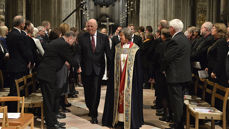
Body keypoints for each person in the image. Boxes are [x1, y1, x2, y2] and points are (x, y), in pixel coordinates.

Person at [102, 27, 144, 129]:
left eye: (121, 35)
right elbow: (112, 63)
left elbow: (139, 68)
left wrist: (138, 82)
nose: (120, 37)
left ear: (127, 36)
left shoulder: (135, 49)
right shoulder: (117, 47)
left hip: (130, 81)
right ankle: (118, 120)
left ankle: (128, 121)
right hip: (117, 79)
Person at [37, 31, 78, 129]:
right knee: (49, 100)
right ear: (70, 38)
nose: (73, 43)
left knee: (52, 98)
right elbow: (71, 59)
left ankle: (53, 121)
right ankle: (51, 124)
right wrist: (79, 66)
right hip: (46, 74)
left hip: (49, 74)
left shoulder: (59, 42)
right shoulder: (62, 44)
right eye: (74, 41)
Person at [78, 19, 111, 124]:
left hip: (98, 69)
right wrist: (78, 66)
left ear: (96, 27)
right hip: (85, 69)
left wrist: (111, 69)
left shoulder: (104, 38)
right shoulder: (82, 37)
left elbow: (108, 54)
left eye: (91, 26)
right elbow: (78, 54)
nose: (89, 28)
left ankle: (94, 114)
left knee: (96, 91)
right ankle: (90, 107)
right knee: (87, 92)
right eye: (88, 26)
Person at [163, 19, 192, 129]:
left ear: (172, 28)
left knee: (177, 102)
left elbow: (167, 57)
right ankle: (178, 123)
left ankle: (178, 125)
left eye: (169, 27)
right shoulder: (184, 38)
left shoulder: (175, 40)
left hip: (176, 76)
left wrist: (163, 69)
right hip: (183, 75)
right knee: (179, 100)